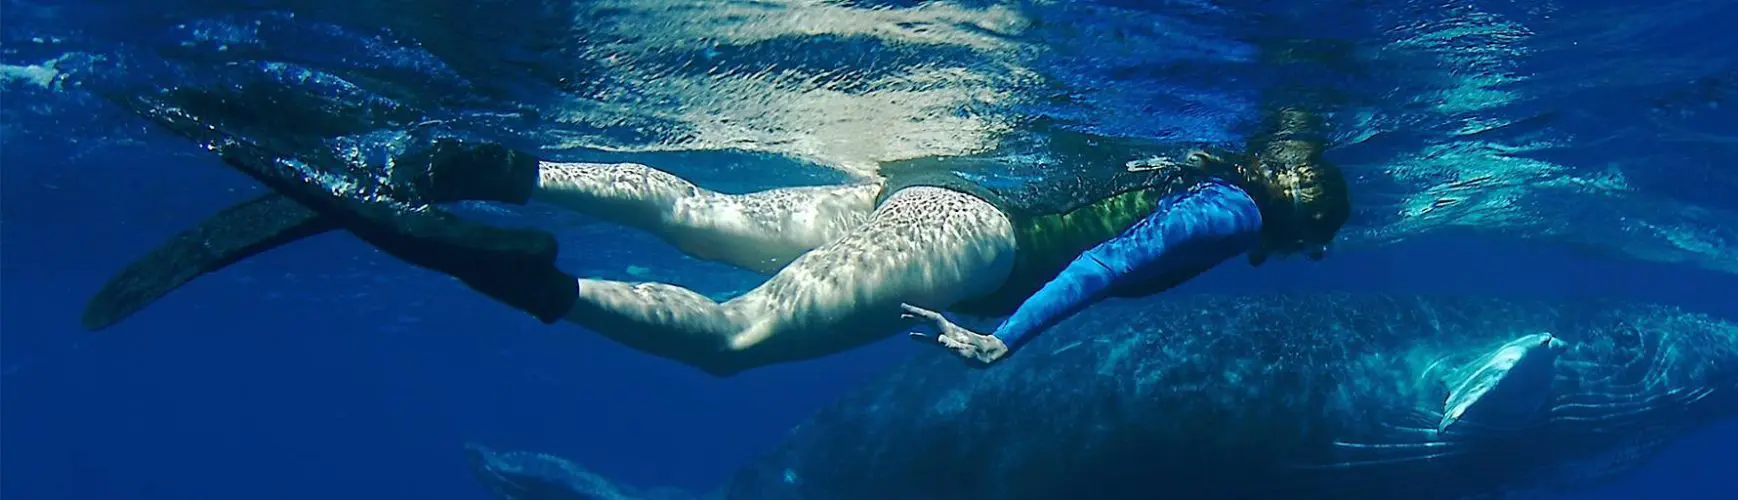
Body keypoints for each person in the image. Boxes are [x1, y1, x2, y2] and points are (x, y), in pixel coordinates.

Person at [83, 71, 1351, 376]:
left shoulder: (1194, 158)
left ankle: (476, 164)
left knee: (694, 212)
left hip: (915, 197)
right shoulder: (1228, 207)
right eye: (1312, 234)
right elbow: (1115, 258)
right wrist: (1003, 336)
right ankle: (520, 277)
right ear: (1300, 208)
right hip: (973, 244)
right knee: (734, 339)